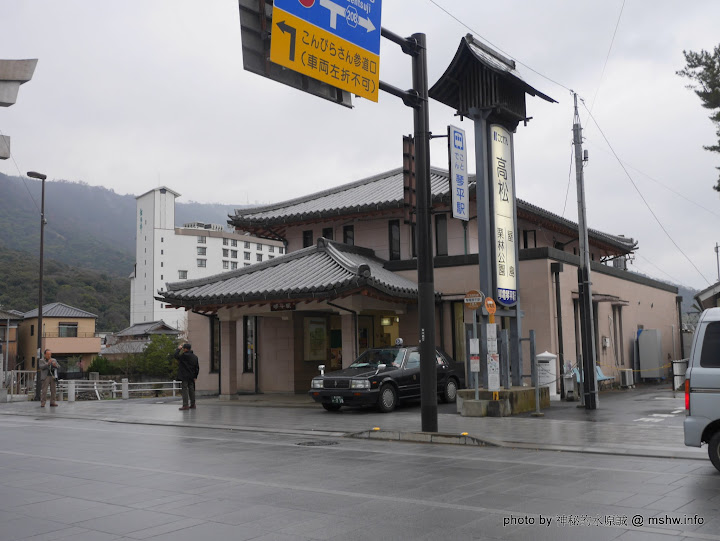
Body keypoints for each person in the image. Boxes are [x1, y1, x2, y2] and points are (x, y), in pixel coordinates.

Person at [174, 343, 199, 410]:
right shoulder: (195, 357)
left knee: (184, 389)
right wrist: (195, 376)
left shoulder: (184, 356)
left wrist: (178, 349)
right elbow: (197, 368)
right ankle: (193, 404)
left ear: (185, 349)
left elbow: (176, 356)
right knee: (191, 389)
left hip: (184, 375)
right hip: (192, 376)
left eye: (183, 348)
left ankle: (185, 405)